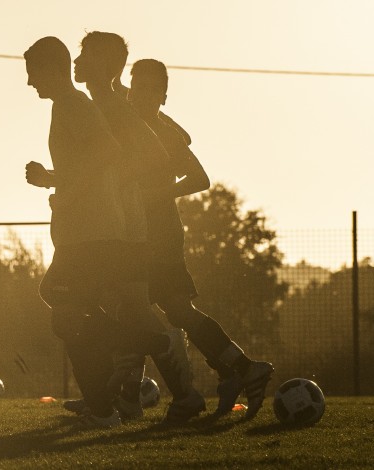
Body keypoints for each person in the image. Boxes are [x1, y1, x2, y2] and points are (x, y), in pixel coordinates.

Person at [26, 32, 205, 424]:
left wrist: (112, 192)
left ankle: (115, 388)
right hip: (109, 227)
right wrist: (55, 181)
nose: (77, 61)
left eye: (84, 55)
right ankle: (126, 394)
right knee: (120, 310)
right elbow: (95, 163)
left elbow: (141, 154)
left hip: (114, 230)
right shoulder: (93, 103)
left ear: (105, 64)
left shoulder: (102, 105)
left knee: (75, 307)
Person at [127, 58, 274, 419]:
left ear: (162, 94)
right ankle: (237, 368)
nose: (139, 92)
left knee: (131, 308)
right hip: (144, 234)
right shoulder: (142, 124)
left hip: (158, 236)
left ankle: (123, 395)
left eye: (149, 87)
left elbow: (200, 178)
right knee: (174, 310)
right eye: (136, 85)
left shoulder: (160, 132)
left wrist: (158, 195)